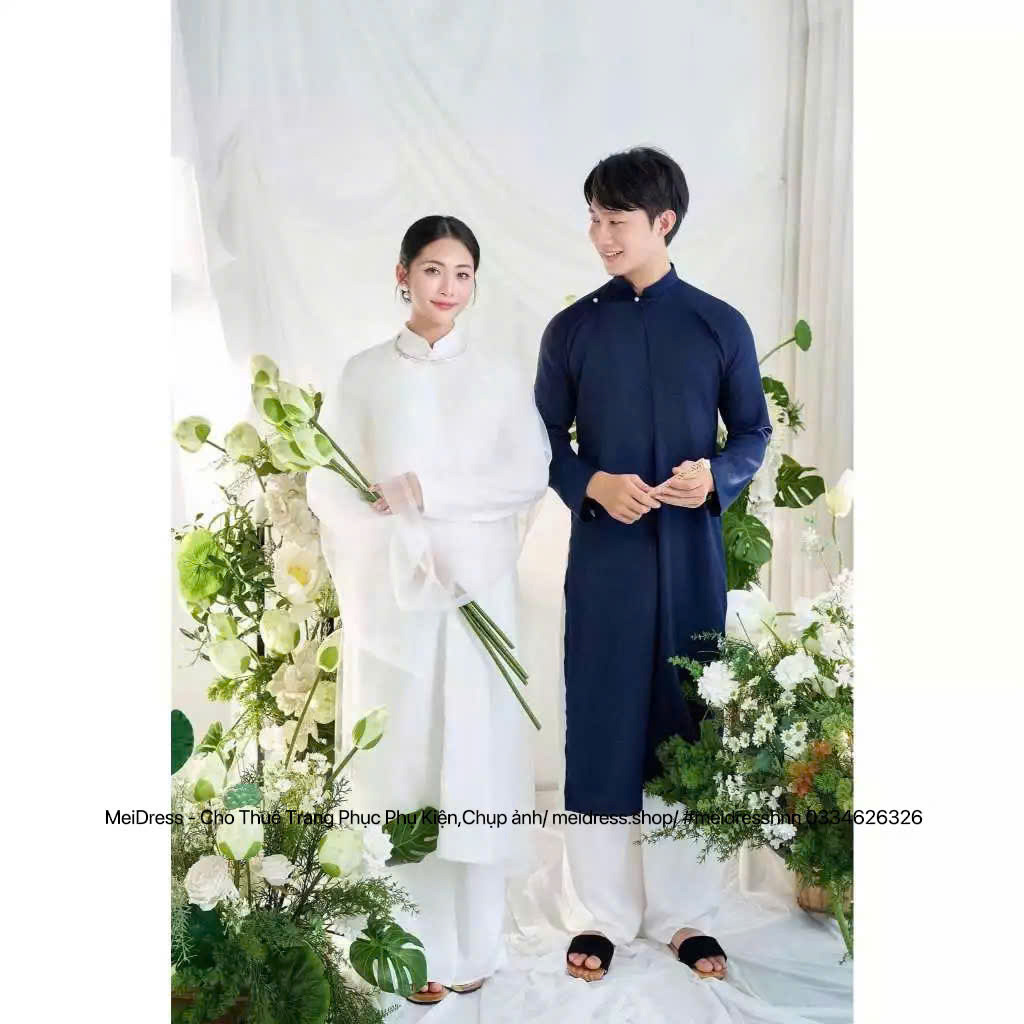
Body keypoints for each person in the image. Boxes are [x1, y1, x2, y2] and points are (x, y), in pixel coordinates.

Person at [533, 147, 772, 982]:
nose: (601, 236)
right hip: (607, 556)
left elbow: (753, 432)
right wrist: (590, 483)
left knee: (687, 721)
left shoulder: (718, 324)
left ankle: (685, 913)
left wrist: (719, 476)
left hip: (693, 554)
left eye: (616, 220)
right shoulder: (572, 330)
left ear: (663, 221)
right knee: (602, 719)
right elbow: (541, 441)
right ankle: (601, 912)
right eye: (593, 219)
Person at [305, 216, 551, 1004]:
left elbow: (527, 472)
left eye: (463, 273)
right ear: (402, 274)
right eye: (434, 270)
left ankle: (474, 943)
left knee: (470, 752)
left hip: (474, 592)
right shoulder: (365, 375)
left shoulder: (498, 376)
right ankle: (404, 948)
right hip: (394, 602)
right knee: (404, 754)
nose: (449, 287)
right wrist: (397, 537)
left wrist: (431, 499)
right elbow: (329, 482)